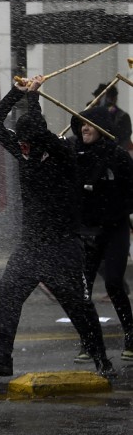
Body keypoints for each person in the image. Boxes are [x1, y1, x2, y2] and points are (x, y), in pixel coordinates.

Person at [0, 76, 115, 378]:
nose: (21, 148)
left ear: (38, 137)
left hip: (62, 245)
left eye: (26, 142)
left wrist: (34, 100)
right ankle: (2, 356)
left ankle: (102, 360)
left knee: (77, 306)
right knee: (9, 289)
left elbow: (39, 133)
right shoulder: (26, 150)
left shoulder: (64, 153)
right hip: (31, 242)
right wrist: (17, 94)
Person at [69, 106, 133, 363]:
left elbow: (131, 190)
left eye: (90, 124)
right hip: (86, 232)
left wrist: (115, 207)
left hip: (114, 228)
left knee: (114, 282)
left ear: (102, 129)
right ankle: (88, 340)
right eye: (82, 124)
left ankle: (130, 334)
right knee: (82, 290)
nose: (85, 128)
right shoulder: (73, 154)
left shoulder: (117, 156)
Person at [90, 82, 132, 151]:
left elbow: (122, 141)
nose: (95, 101)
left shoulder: (122, 116)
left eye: (99, 97)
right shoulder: (93, 114)